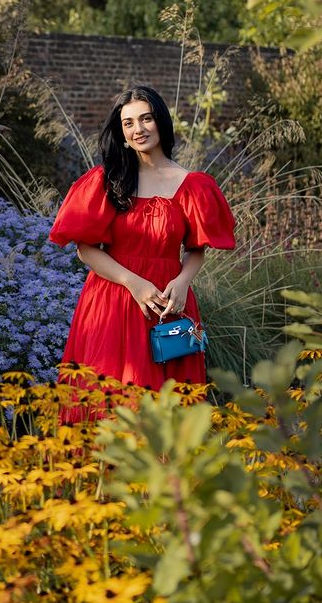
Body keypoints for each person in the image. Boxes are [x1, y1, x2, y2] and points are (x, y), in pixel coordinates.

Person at [49, 85, 235, 414]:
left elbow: (196, 248)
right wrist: (134, 283)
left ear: (161, 122)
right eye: (129, 123)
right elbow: (85, 250)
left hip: (169, 304)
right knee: (110, 400)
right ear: (121, 132)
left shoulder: (193, 184)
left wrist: (183, 282)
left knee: (170, 405)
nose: (139, 129)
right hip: (113, 301)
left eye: (146, 119)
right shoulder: (107, 180)